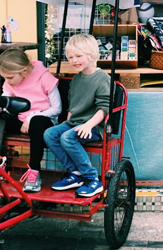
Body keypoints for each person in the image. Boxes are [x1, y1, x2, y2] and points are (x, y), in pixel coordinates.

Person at [0, 48, 61, 192]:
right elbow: (5, 102)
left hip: (44, 120)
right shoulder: (11, 81)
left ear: (24, 71)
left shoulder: (44, 77)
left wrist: (31, 117)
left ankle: (34, 172)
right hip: (21, 120)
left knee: (37, 121)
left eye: (9, 78)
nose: (7, 82)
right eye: (5, 78)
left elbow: (57, 109)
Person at [43, 34, 110, 197]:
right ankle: (75, 173)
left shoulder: (102, 79)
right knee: (50, 134)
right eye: (70, 57)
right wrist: (67, 123)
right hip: (75, 123)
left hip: (94, 126)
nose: (74, 60)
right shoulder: (76, 79)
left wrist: (88, 125)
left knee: (67, 137)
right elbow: (73, 107)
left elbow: (104, 108)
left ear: (92, 55)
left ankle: (92, 178)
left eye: (79, 56)